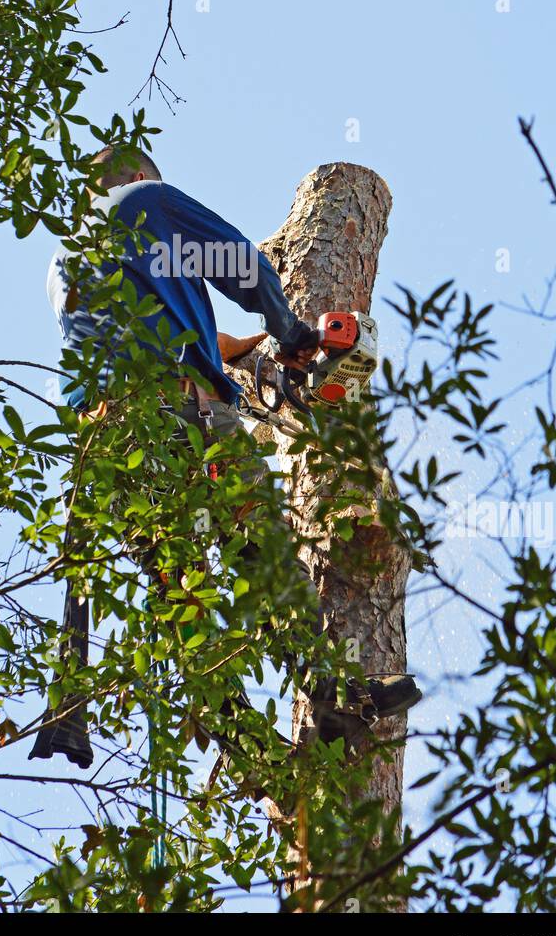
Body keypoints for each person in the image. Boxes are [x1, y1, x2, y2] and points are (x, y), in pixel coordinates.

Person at [30, 145, 420, 770]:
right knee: (258, 550)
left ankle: (254, 755)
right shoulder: (144, 201)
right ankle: (334, 694)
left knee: (183, 590)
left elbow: (187, 333)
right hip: (182, 418)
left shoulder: (69, 260)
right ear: (136, 177)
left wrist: (255, 348)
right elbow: (238, 262)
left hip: (111, 445)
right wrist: (293, 335)